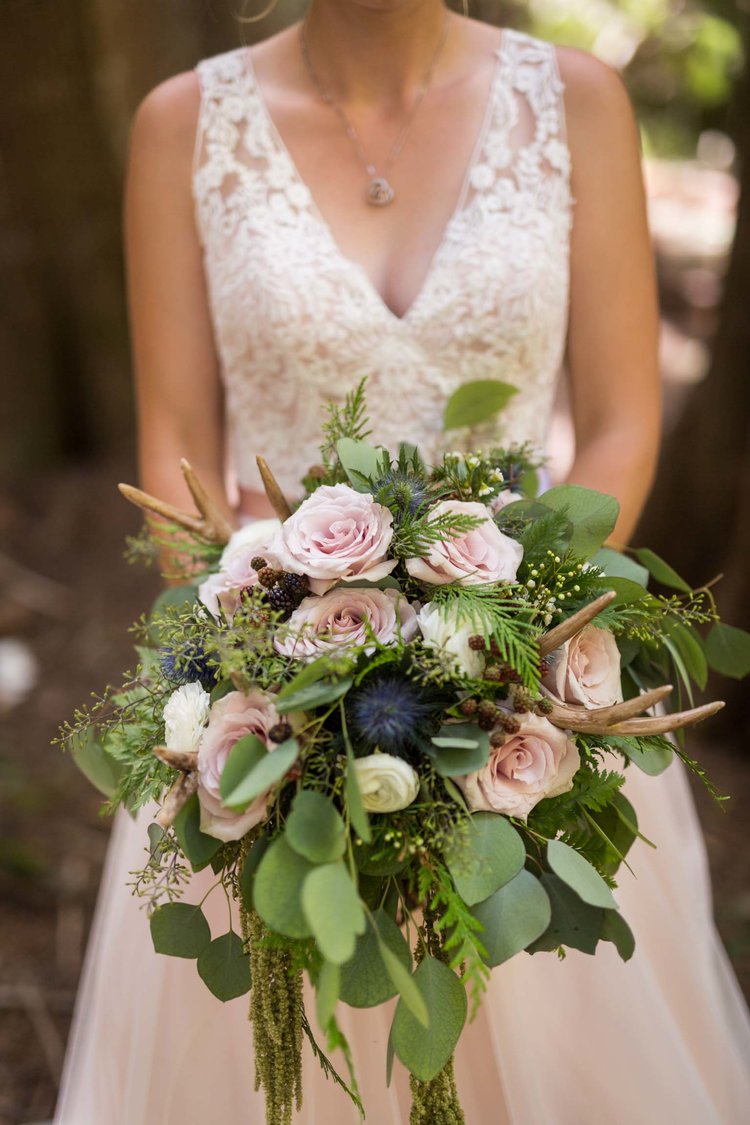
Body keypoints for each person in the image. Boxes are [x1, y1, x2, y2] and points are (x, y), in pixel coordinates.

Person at [55, 2, 750, 1122]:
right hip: (272, 720)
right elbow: (175, 457)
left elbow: (622, 421)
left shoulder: (577, 105)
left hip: (534, 717)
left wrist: (499, 642)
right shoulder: (181, 125)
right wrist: (279, 659)